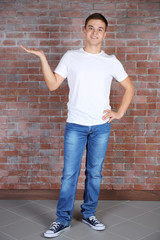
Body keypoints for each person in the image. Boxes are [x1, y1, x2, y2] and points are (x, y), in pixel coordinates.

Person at [20, 13, 135, 238]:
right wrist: (43, 58)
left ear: (105, 33)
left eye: (99, 29)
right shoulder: (71, 57)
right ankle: (62, 219)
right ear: (83, 30)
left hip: (101, 127)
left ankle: (89, 213)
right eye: (91, 28)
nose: (94, 32)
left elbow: (129, 88)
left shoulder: (111, 61)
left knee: (94, 174)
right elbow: (53, 85)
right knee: (69, 174)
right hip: (76, 125)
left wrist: (119, 113)